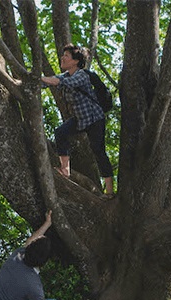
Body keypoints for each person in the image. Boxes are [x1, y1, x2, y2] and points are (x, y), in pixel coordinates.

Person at [41, 44, 114, 195]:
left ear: (75, 61)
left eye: (66, 56)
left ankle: (110, 190)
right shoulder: (66, 75)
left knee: (98, 150)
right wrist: (32, 80)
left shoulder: (81, 75)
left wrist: (43, 78)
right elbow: (51, 80)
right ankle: (65, 170)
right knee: (61, 132)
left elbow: (61, 82)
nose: (62, 58)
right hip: (81, 119)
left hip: (94, 118)